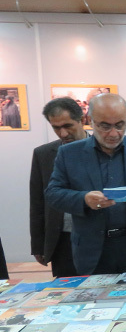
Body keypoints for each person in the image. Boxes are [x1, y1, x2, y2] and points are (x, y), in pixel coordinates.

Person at [45, 93, 126, 275]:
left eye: (119, 125)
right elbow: (53, 193)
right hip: (93, 248)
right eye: (105, 126)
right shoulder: (69, 153)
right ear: (90, 121)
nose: (113, 133)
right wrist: (83, 199)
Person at [30, 97, 88, 277]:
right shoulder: (43, 154)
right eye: (56, 128)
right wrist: (38, 244)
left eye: (68, 126)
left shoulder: (102, 149)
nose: (63, 133)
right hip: (62, 238)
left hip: (97, 234)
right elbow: (37, 202)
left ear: (82, 120)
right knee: (67, 289)